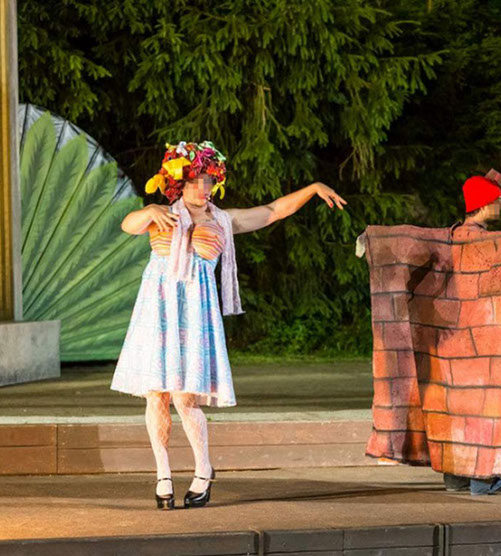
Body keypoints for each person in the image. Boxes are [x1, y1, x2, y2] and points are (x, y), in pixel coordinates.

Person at [111, 141, 346, 509]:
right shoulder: (163, 214)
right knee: (157, 394)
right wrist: (150, 210)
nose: (203, 188)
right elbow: (128, 225)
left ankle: (203, 470)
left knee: (185, 398)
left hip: (194, 313)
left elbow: (272, 211)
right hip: (159, 311)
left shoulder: (223, 219)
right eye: (195, 181)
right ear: (179, 184)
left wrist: (313, 188)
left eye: (208, 181)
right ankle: (163, 475)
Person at [360, 170, 501, 496]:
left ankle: (455, 476)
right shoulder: (485, 242)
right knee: (481, 408)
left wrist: (372, 241)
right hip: (477, 342)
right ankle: (483, 479)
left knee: (450, 410)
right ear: (487, 205)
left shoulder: (444, 239)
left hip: (444, 342)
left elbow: (408, 239)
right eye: (498, 201)